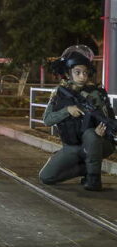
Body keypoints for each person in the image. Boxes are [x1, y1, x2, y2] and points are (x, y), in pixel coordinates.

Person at [39, 45, 115, 191]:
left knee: (91, 135)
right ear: (69, 74)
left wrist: (102, 133)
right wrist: (67, 110)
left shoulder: (96, 93)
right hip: (72, 147)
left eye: (85, 72)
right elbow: (47, 119)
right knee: (46, 177)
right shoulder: (60, 93)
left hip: (97, 144)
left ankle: (94, 179)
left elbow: (108, 118)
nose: (82, 76)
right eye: (78, 72)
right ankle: (85, 169)